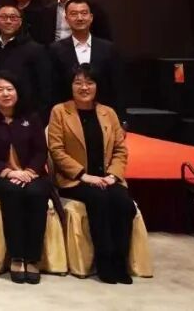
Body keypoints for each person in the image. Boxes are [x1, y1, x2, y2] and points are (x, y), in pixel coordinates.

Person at [48, 65, 135, 284]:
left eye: (89, 82)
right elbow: (56, 150)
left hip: (107, 178)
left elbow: (120, 150)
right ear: (71, 86)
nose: (84, 87)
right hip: (75, 180)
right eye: (78, 82)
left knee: (124, 203)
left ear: (97, 86)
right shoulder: (60, 111)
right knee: (99, 200)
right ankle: (104, 262)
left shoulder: (109, 113)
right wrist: (83, 176)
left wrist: (113, 176)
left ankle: (120, 262)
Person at [0, 72, 52, 285]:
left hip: (31, 175)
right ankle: (17, 257)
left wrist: (30, 172)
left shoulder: (31, 117)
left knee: (36, 192)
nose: (5, 94)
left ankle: (32, 258)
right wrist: (9, 172)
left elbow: (41, 151)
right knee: (13, 192)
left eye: (10, 89)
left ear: (18, 92)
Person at [50, 0, 126, 122]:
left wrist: (122, 119)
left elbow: (118, 87)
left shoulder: (108, 48)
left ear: (91, 17)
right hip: (68, 117)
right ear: (66, 19)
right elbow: (51, 89)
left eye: (84, 13)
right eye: (74, 14)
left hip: (104, 116)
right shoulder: (55, 50)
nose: (80, 18)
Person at [0, 5, 54, 116]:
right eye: (4, 17)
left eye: (13, 17)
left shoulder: (36, 49)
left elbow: (45, 87)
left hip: (27, 114)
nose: (8, 21)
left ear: (20, 22)